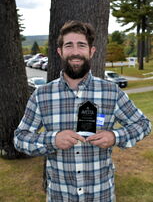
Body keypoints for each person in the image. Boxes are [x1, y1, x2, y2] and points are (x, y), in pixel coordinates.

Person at [14, 20, 152, 202]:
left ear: (91, 51)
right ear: (60, 52)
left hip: (101, 195)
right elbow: (20, 138)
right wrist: (52, 139)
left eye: (81, 45)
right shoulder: (42, 95)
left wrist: (115, 136)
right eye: (69, 45)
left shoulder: (111, 92)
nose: (76, 52)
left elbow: (143, 124)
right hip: (59, 195)